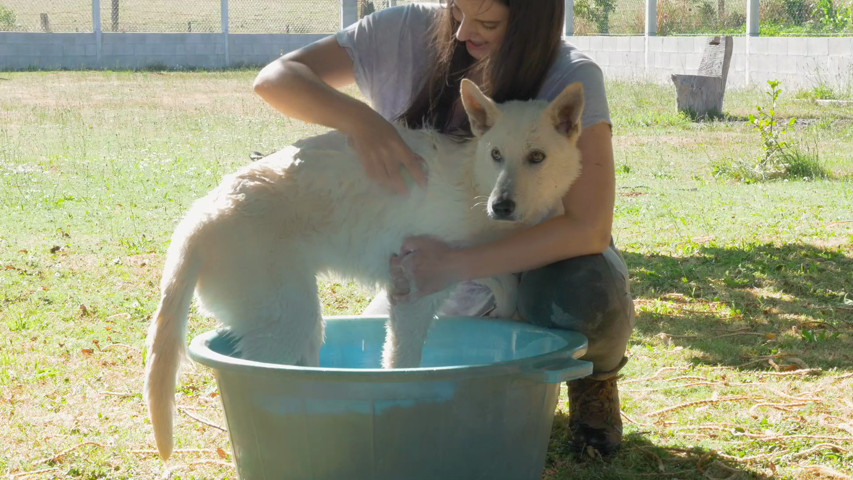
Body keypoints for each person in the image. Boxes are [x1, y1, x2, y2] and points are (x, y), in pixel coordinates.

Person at [253, 0, 635, 457]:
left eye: (487, 22)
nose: (462, 33)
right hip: (432, 264)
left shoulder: (568, 75)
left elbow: (588, 228)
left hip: (524, 263)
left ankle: (594, 378)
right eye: (456, 10)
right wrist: (364, 124)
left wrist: (456, 265)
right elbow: (275, 79)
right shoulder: (404, 29)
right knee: (371, 405)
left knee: (589, 286)